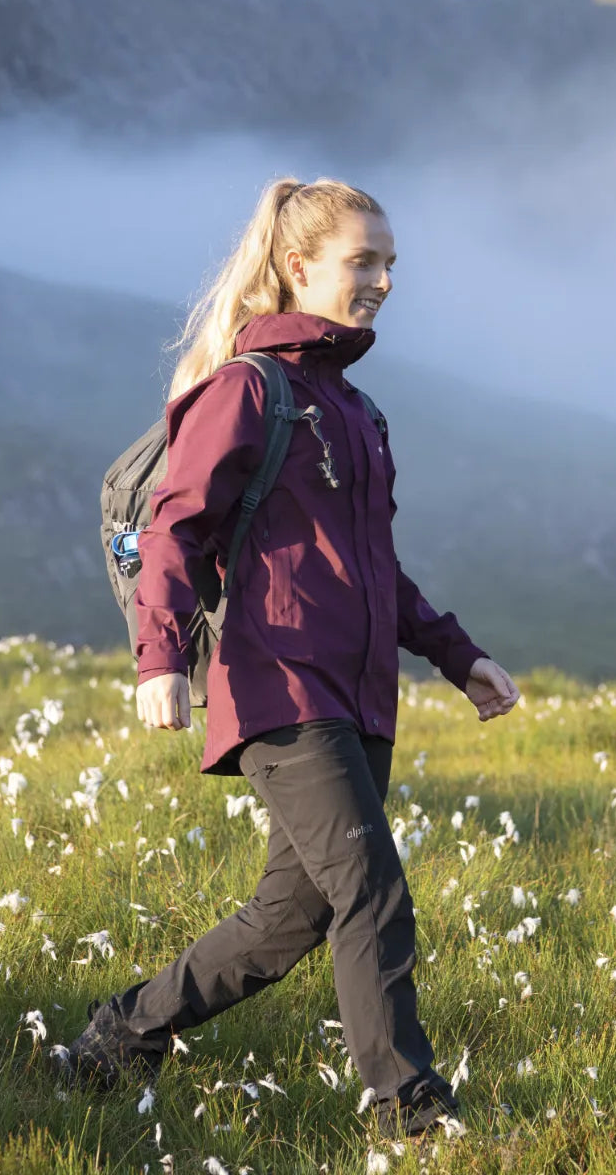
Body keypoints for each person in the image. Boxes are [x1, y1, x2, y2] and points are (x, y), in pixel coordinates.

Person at [65, 179, 522, 1137]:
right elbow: (175, 529)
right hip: (278, 688)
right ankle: (411, 1112)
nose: (384, 280)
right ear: (297, 265)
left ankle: (120, 1036)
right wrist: (159, 660)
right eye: (364, 261)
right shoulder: (246, 390)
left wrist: (458, 656)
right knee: (372, 893)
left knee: (289, 919)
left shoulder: (355, 410)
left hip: (360, 699)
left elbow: (375, 569)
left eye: (390, 263)